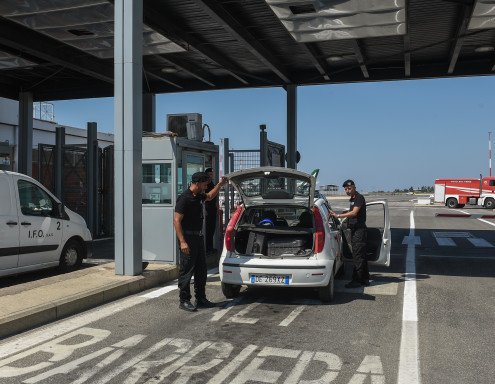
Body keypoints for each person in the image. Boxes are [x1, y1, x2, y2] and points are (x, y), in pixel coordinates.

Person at [173, 171, 228, 311]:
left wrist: (220, 185)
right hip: (188, 238)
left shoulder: (198, 195)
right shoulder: (184, 198)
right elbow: (176, 220)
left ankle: (201, 299)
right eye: (204, 184)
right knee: (186, 270)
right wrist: (182, 241)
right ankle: (184, 300)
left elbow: (209, 196)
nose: (205, 187)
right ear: (197, 183)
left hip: (198, 237)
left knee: (201, 270)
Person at [330, 179, 370, 288]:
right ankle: (365, 278)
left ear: (354, 187)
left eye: (349, 188)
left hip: (359, 231)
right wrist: (338, 213)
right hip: (354, 230)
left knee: (357, 256)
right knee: (361, 255)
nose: (347, 190)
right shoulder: (352, 199)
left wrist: (338, 216)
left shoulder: (359, 198)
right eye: (346, 189)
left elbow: (354, 213)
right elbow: (350, 211)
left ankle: (356, 280)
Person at [204, 168, 219, 254]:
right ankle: (207, 248)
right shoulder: (205, 185)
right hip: (206, 210)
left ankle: (209, 247)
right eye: (209, 175)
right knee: (207, 230)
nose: (211, 176)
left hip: (212, 210)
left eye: (212, 175)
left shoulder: (212, 184)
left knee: (211, 229)